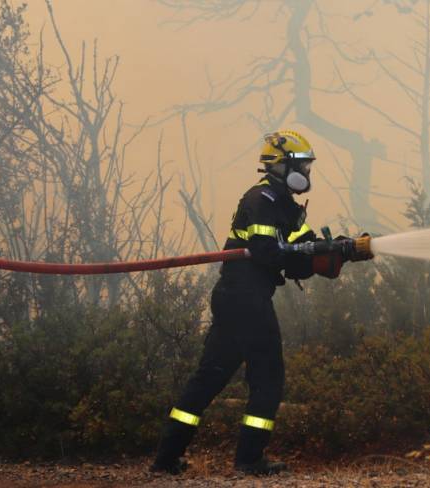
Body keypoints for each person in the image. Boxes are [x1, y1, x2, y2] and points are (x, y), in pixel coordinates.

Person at [151, 130, 367, 476]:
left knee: (210, 378)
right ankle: (249, 460)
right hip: (245, 298)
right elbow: (268, 252)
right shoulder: (261, 200)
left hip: (239, 298)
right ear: (280, 165)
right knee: (268, 379)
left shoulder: (287, 208)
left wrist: (344, 250)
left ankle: (165, 459)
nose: (307, 174)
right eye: (302, 166)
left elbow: (300, 256)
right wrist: (315, 251)